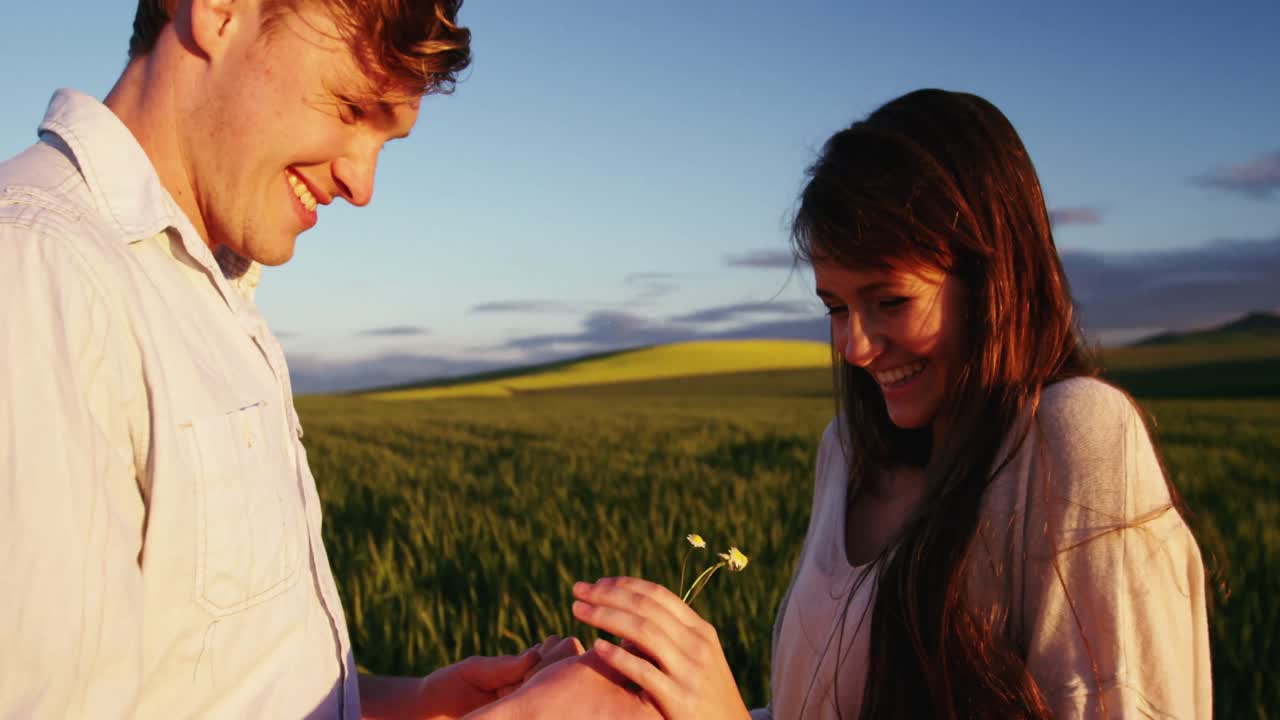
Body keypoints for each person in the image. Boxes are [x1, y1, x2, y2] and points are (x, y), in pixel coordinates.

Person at [0, 1, 651, 717]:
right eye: (349, 106)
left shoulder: (203, 286)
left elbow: (213, 686)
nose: (362, 184)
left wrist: (414, 705)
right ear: (219, 12)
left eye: (386, 140)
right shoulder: (40, 275)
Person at [568, 89, 1213, 719]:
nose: (854, 345)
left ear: (992, 282)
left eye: (890, 301)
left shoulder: (1074, 437)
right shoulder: (846, 452)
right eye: (836, 307)